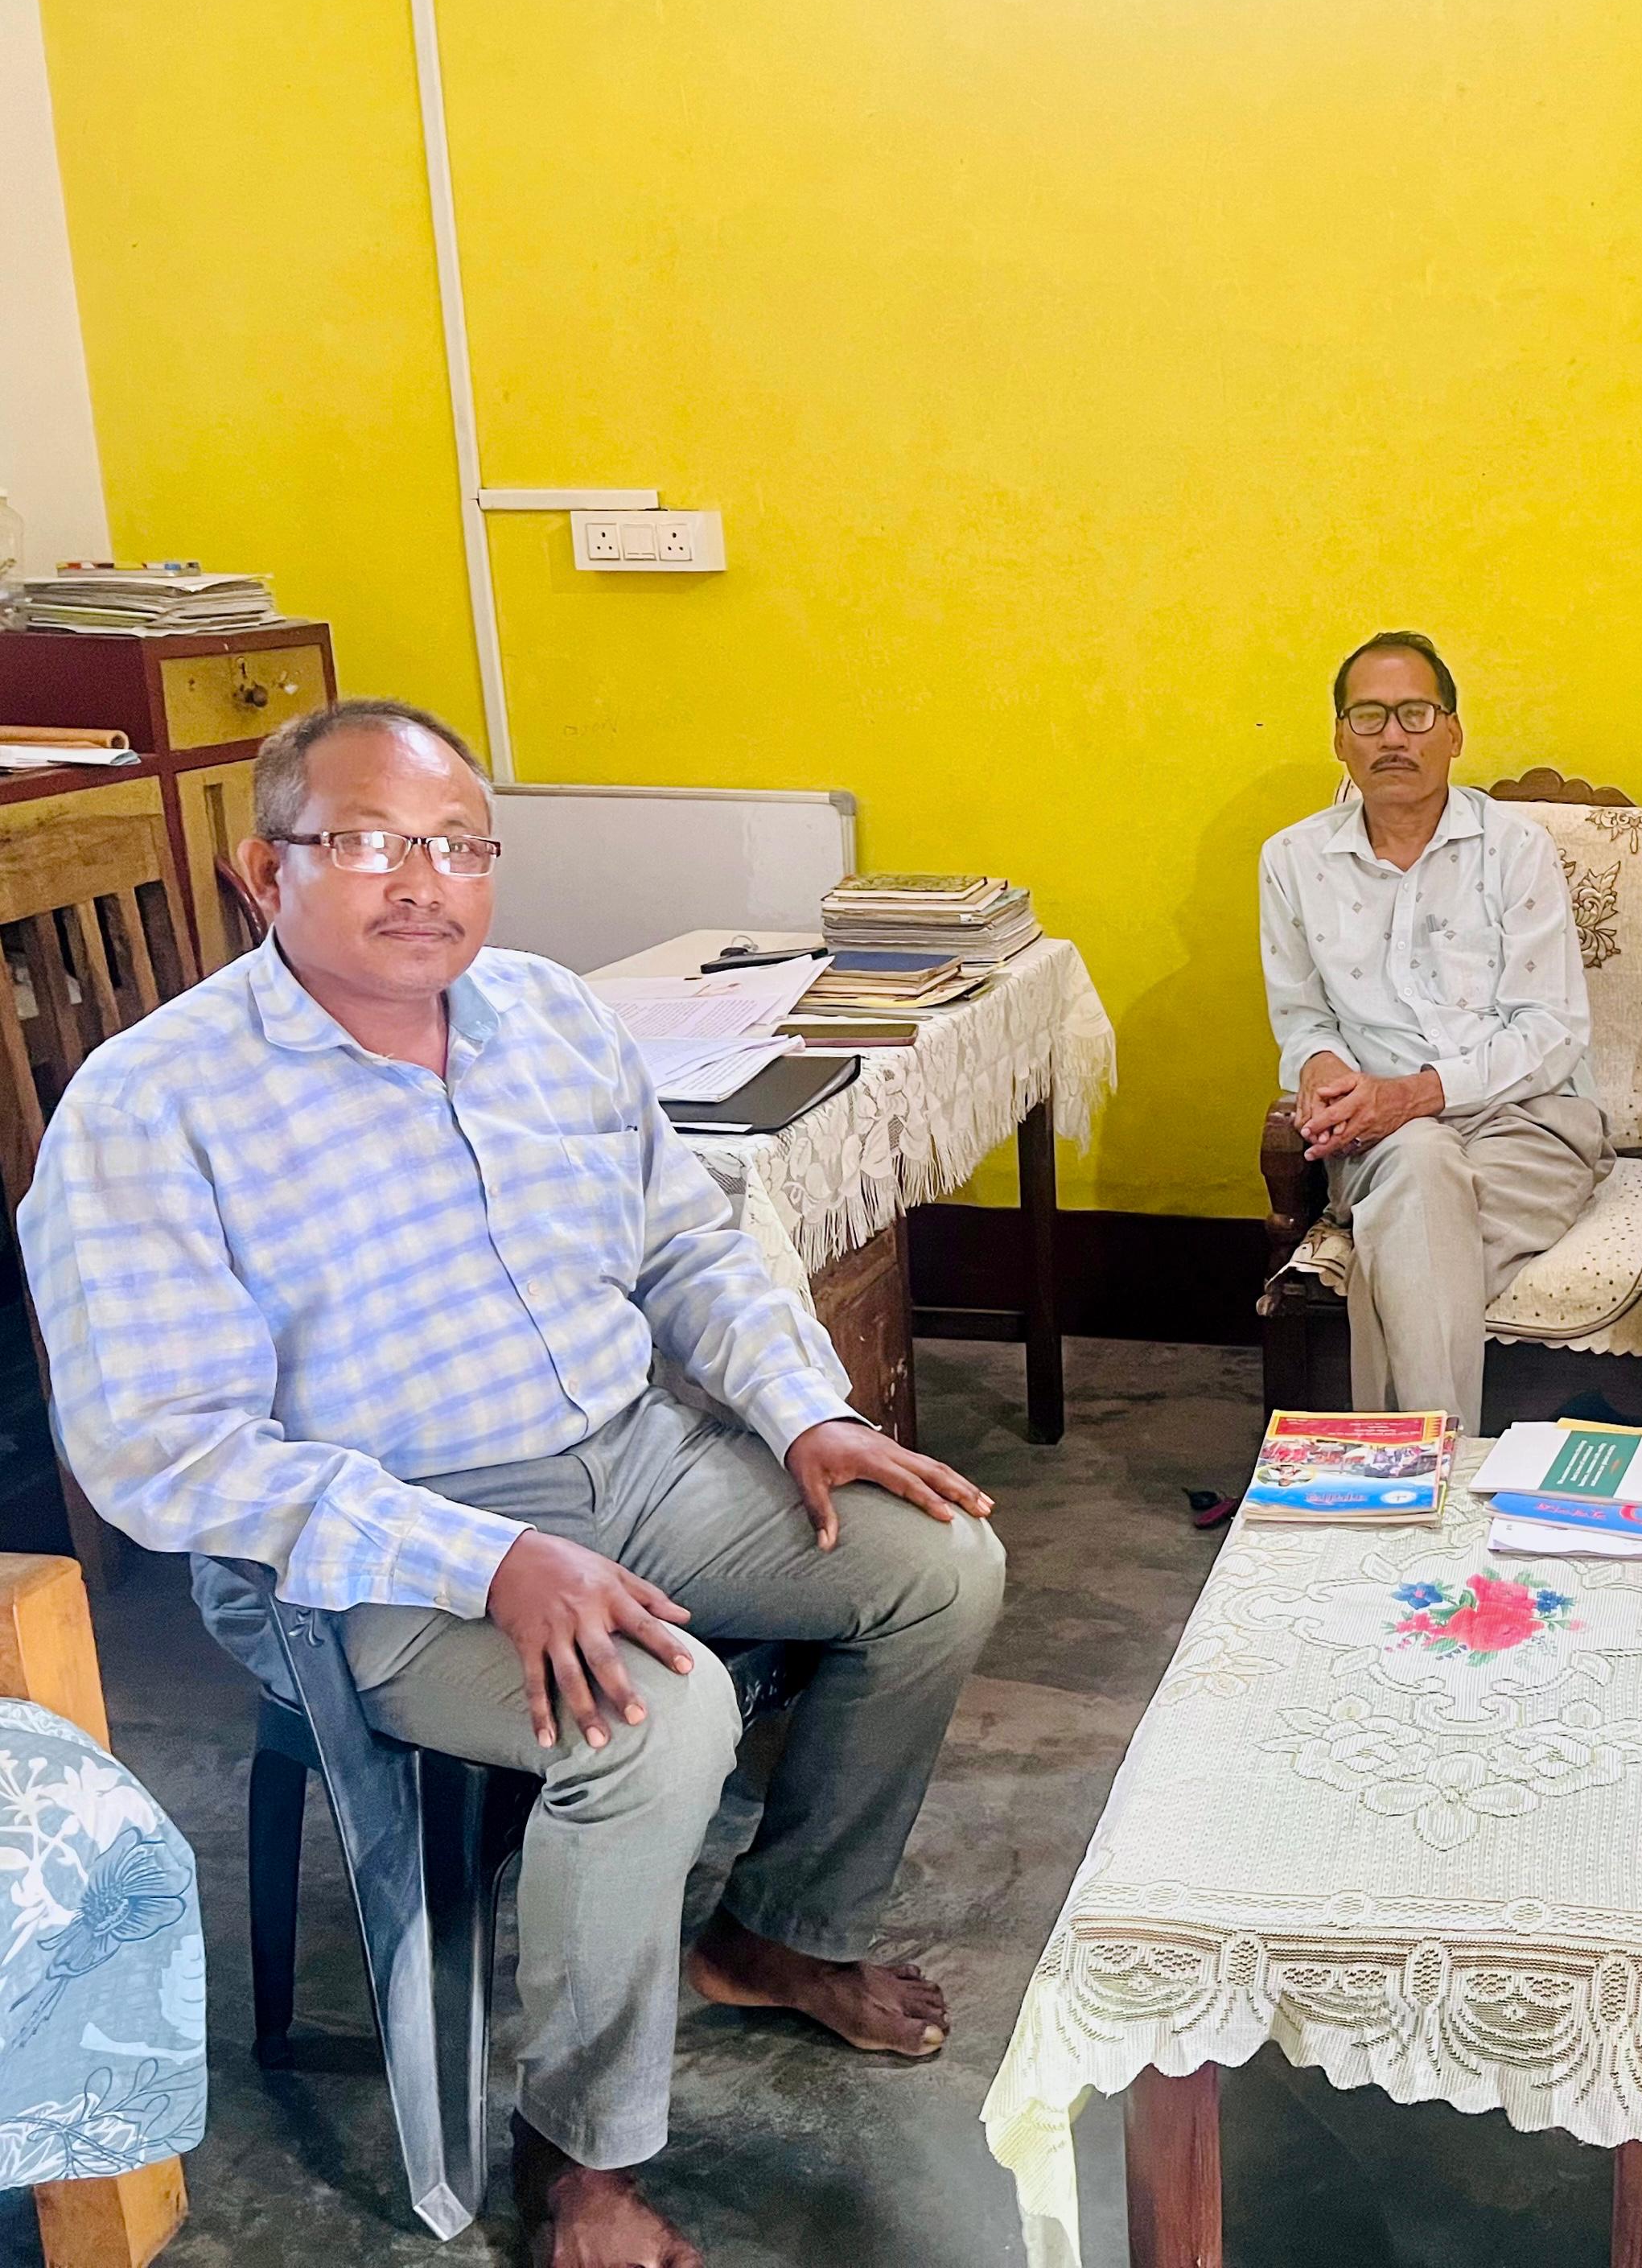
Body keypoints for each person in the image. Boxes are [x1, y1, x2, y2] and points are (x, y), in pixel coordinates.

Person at [19, 699, 1009, 2268]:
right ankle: (582, 2164)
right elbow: (163, 1452)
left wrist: (804, 1412)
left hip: (633, 1459)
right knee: (663, 1711)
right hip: (380, 1556)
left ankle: (775, 1933)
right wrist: (484, 1562)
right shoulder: (149, 1110)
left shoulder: (545, 1016)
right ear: (258, 871)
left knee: (936, 1560)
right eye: (367, 843)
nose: (425, 882)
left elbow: (685, 1245)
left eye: (460, 846)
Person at [1260, 629, 1607, 1430]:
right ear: (1339, 738)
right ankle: (1440, 1476)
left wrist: (1415, 1094)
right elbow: (1305, 1017)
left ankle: (1402, 1470)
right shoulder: (1291, 860)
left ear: (1454, 732)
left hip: (1531, 1124)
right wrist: (1319, 1069)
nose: (1392, 736)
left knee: (1408, 1242)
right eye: (1369, 716)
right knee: (1416, 1165)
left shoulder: (1516, 850)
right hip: (1378, 1141)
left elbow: (1552, 1031)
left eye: (1415, 714)